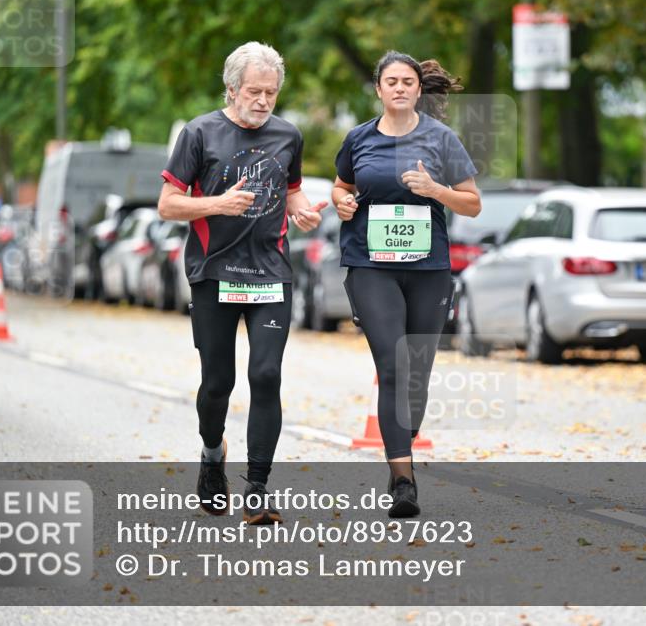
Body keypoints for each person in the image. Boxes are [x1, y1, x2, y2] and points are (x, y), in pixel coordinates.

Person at [157, 41, 327, 525]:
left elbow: (290, 194)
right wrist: (216, 204)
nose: (263, 101)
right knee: (217, 384)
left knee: (267, 376)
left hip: (271, 274)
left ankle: (258, 488)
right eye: (254, 91)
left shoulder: (288, 136)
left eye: (271, 93)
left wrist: (304, 213)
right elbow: (168, 205)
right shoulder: (199, 133)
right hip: (214, 273)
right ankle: (213, 457)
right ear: (232, 89)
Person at [333, 51, 481, 517]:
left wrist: (436, 191)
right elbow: (341, 186)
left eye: (408, 82)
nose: (399, 88)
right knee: (394, 366)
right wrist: (342, 203)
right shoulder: (358, 138)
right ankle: (403, 480)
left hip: (427, 268)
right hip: (371, 266)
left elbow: (473, 204)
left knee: (416, 372)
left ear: (419, 90)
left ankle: (404, 434)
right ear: (378, 89)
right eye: (391, 81)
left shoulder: (441, 139)